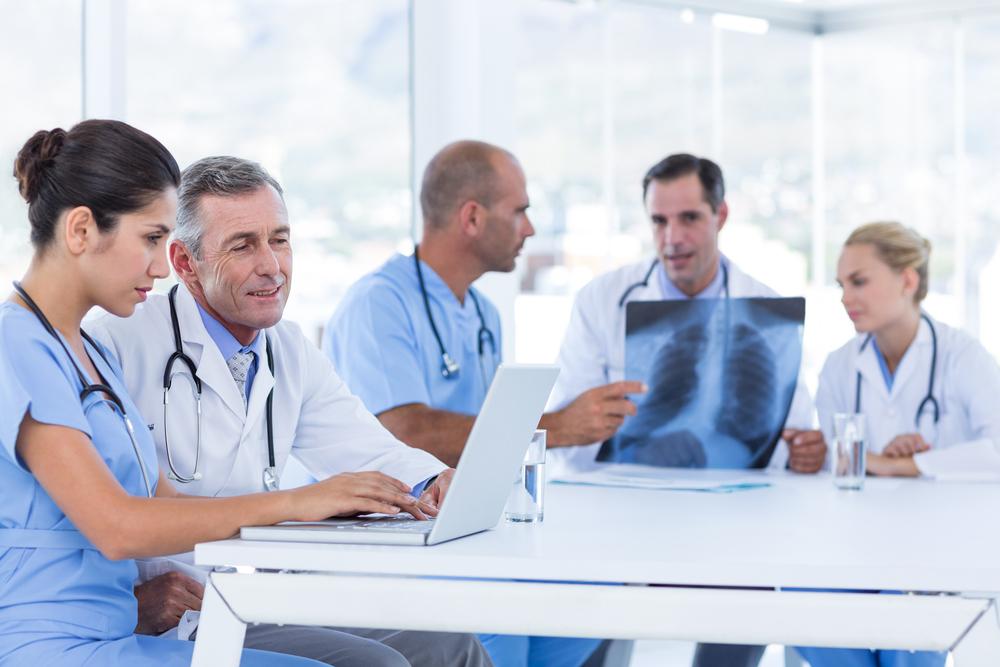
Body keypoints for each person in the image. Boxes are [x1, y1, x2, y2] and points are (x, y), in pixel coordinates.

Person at [0, 120, 424, 666]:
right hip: (54, 650)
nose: (162, 264)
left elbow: (163, 501)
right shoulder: (17, 345)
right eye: (152, 239)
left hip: (115, 638)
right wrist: (295, 502)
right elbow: (117, 526)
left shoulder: (86, 353)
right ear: (80, 230)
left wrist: (320, 508)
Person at [85, 155, 493, 667]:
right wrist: (125, 606)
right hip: (178, 616)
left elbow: (367, 447)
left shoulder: (289, 348)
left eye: (279, 239)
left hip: (262, 595)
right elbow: (88, 510)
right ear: (186, 264)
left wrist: (434, 480)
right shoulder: (117, 342)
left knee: (452, 644)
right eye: (243, 245)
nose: (271, 266)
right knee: (374, 664)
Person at [324, 140, 617, 667]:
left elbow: (489, 439)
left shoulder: (484, 312)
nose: (529, 228)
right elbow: (402, 430)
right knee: (498, 635)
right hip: (405, 550)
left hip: (476, 536)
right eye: (520, 210)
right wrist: (559, 426)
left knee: (589, 615)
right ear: (473, 217)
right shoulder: (378, 303)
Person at [545, 154, 825, 667]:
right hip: (621, 510)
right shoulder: (601, 299)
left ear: (720, 216)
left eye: (689, 218)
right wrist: (584, 420)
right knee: (593, 629)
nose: (672, 237)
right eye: (659, 220)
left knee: (749, 598)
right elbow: (566, 434)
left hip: (733, 514)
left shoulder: (767, 309)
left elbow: (795, 434)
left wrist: (807, 453)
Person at [794, 222, 999, 666]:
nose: (846, 297)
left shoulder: (962, 356)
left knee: (907, 613)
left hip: (942, 550)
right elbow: (839, 463)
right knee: (798, 602)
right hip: (854, 545)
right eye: (841, 284)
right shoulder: (838, 367)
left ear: (908, 281)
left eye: (859, 281)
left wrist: (898, 464)